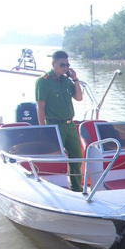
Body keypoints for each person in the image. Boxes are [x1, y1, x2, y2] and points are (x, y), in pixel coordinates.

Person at [35, 50, 84, 192]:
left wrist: (75, 80)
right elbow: (40, 106)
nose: (65, 68)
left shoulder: (66, 81)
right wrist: (42, 129)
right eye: (62, 65)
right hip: (54, 125)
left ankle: (76, 188)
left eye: (67, 65)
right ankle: (51, 189)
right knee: (54, 157)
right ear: (53, 64)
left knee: (77, 157)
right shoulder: (43, 82)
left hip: (69, 125)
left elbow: (79, 98)